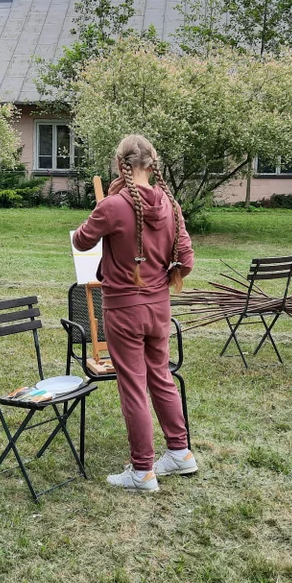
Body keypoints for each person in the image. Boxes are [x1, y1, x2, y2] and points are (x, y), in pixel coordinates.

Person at [72, 134, 195, 492]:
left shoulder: (113, 205)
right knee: (161, 377)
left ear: (119, 164)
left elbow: (81, 240)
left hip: (124, 310)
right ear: (151, 164)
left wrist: (108, 200)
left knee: (133, 387)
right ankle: (180, 452)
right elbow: (185, 261)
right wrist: (161, 279)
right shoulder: (171, 204)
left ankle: (143, 471)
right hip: (159, 309)